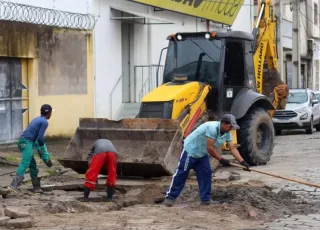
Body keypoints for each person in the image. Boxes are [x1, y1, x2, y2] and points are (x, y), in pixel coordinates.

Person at [163, 114, 251, 207]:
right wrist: (221, 160)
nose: (232, 129)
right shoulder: (212, 128)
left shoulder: (227, 133)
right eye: (231, 126)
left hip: (202, 153)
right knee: (181, 174)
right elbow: (210, 148)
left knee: (206, 174)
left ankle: (205, 199)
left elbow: (232, 148)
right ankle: (170, 198)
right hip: (190, 151)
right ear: (224, 124)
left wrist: (243, 162)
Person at [8, 104, 53, 194]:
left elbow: (35, 139)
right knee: (25, 162)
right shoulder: (44, 122)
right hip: (26, 143)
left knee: (32, 164)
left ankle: (36, 187)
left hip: (23, 142)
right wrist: (43, 152)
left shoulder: (36, 119)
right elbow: (40, 138)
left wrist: (40, 150)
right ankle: (13, 185)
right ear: (49, 113)